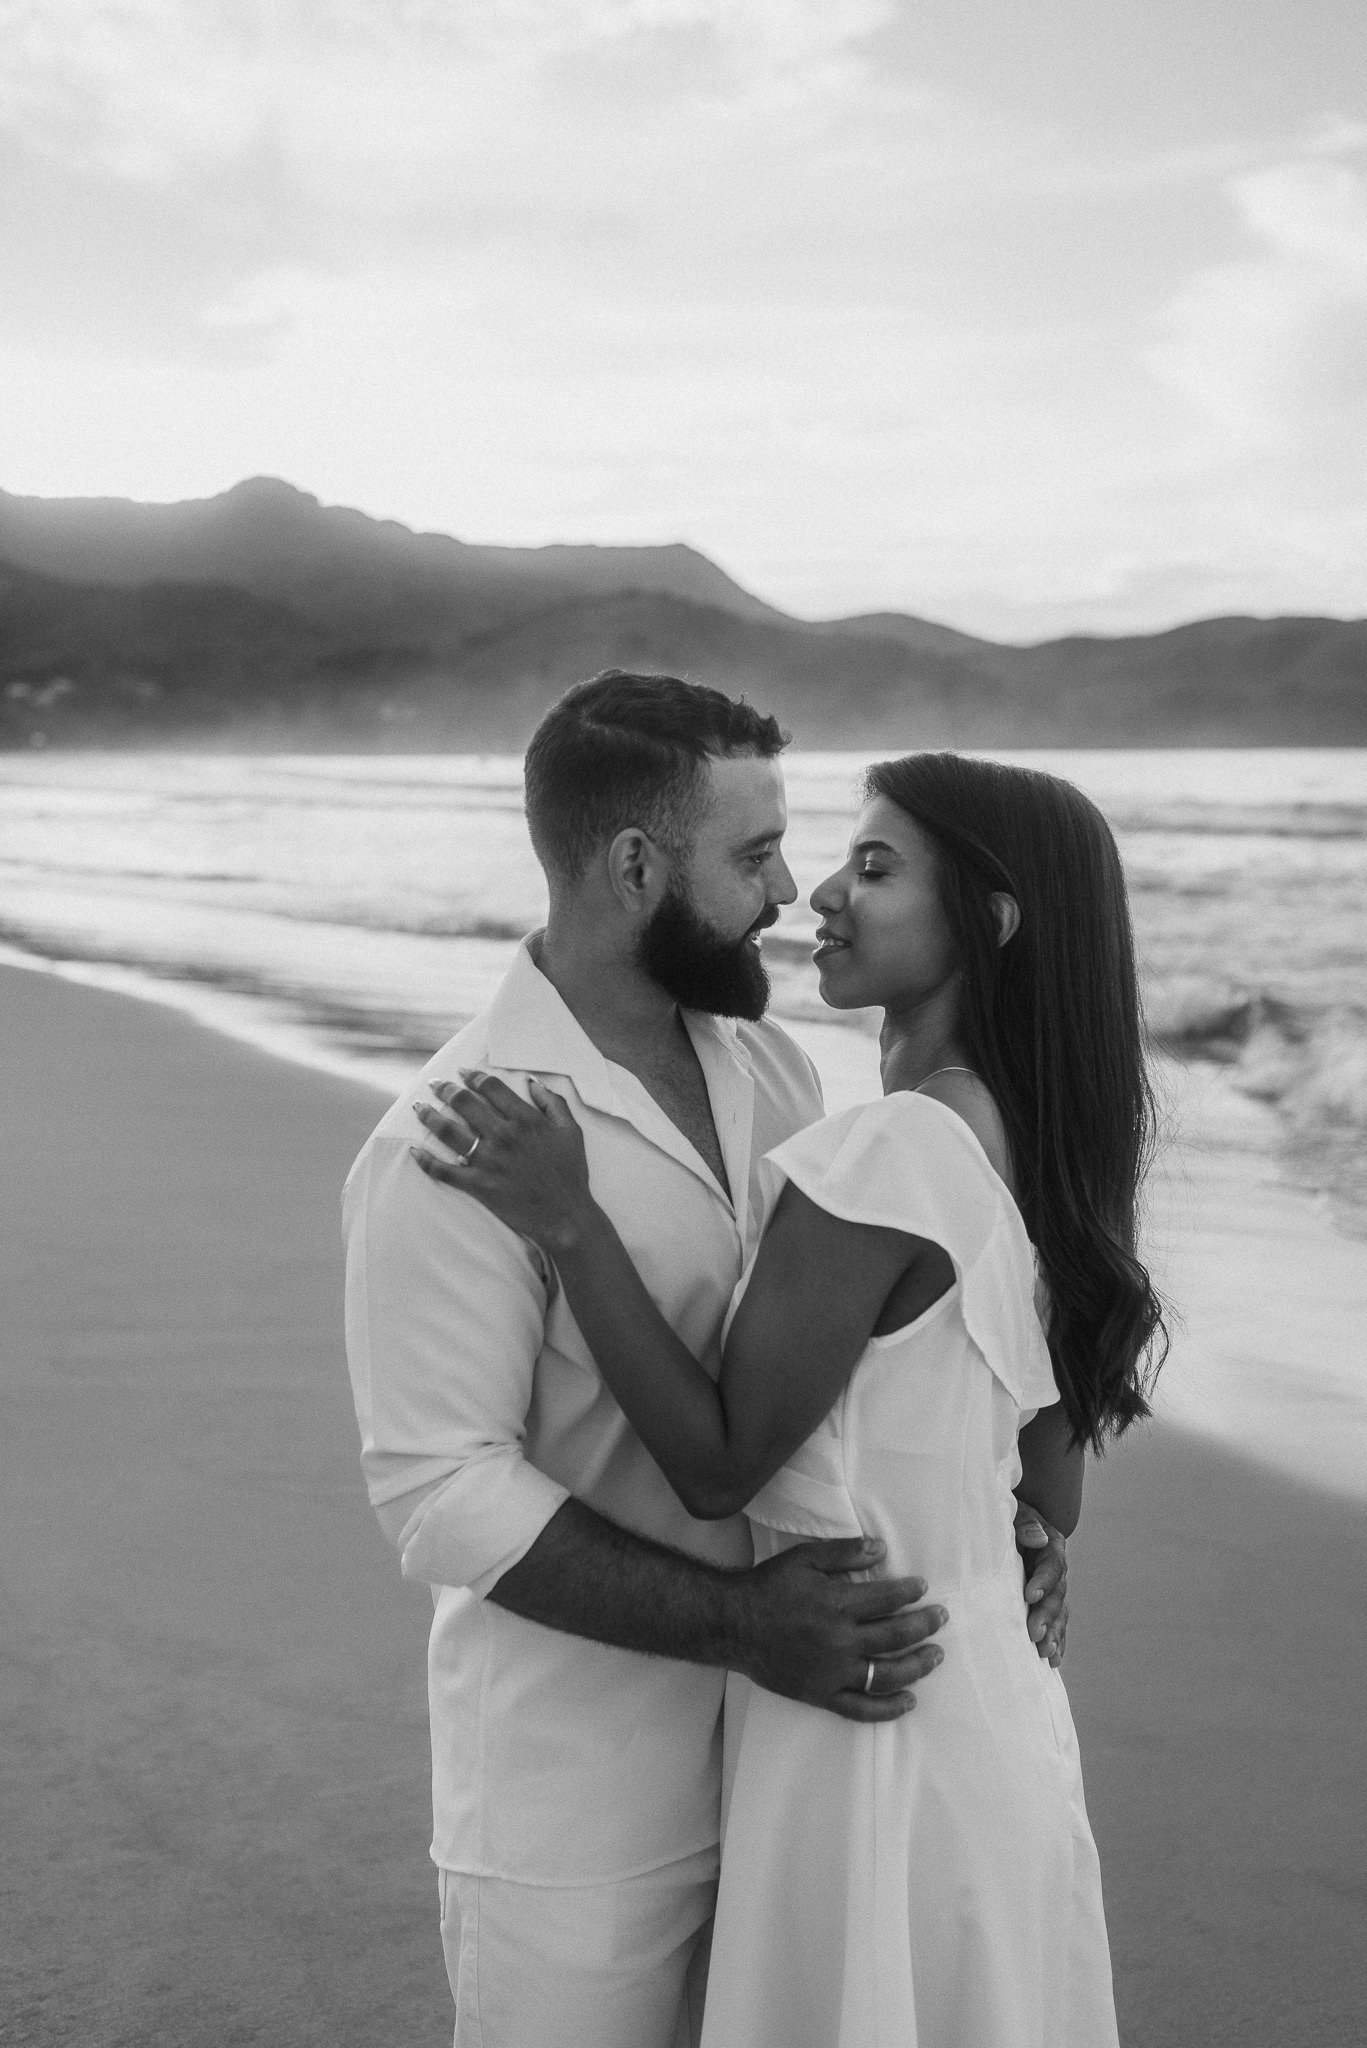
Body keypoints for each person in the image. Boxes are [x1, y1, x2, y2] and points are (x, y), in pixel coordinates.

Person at [344, 677, 1070, 2048]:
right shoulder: (456, 1141)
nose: (791, 892)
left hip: (811, 1767)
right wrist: (739, 1623)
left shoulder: (776, 1075)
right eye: (756, 855)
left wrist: (999, 1524)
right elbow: (437, 1490)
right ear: (636, 867)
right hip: (581, 1808)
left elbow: (869, 1364)